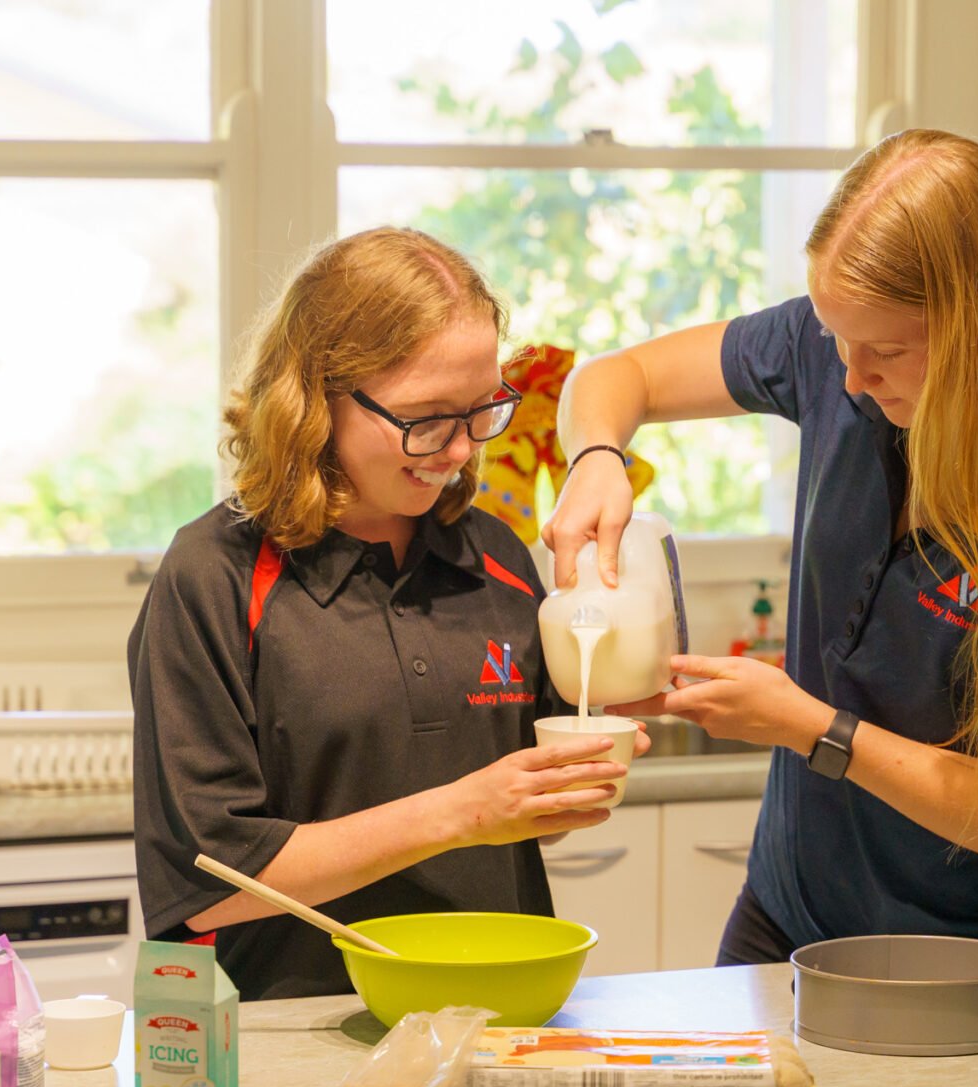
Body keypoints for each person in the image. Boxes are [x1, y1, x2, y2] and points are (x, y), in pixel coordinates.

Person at [545, 131, 978, 1029]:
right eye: (833, 336)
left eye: (884, 348)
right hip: (788, 924)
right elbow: (618, 377)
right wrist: (598, 455)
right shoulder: (839, 360)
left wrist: (812, 728)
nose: (847, 375)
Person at [130, 227, 638, 1000]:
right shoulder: (216, 576)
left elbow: (528, 819)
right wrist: (465, 810)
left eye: (481, 411)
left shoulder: (496, 559)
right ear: (314, 396)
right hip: (292, 1034)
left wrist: (574, 778)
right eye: (426, 418)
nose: (461, 450)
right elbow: (212, 883)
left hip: (499, 1013)